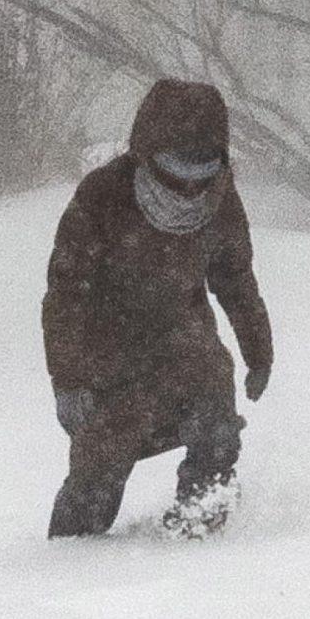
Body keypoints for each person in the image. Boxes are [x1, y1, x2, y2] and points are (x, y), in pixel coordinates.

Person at [41, 77, 272, 539]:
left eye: (202, 172)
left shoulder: (221, 200)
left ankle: (201, 529)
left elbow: (235, 278)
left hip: (188, 348)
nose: (189, 187)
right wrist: (68, 380)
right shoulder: (102, 197)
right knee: (97, 478)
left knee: (217, 432)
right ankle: (66, 564)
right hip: (110, 362)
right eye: (174, 170)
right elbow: (66, 294)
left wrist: (257, 349)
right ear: (146, 155)